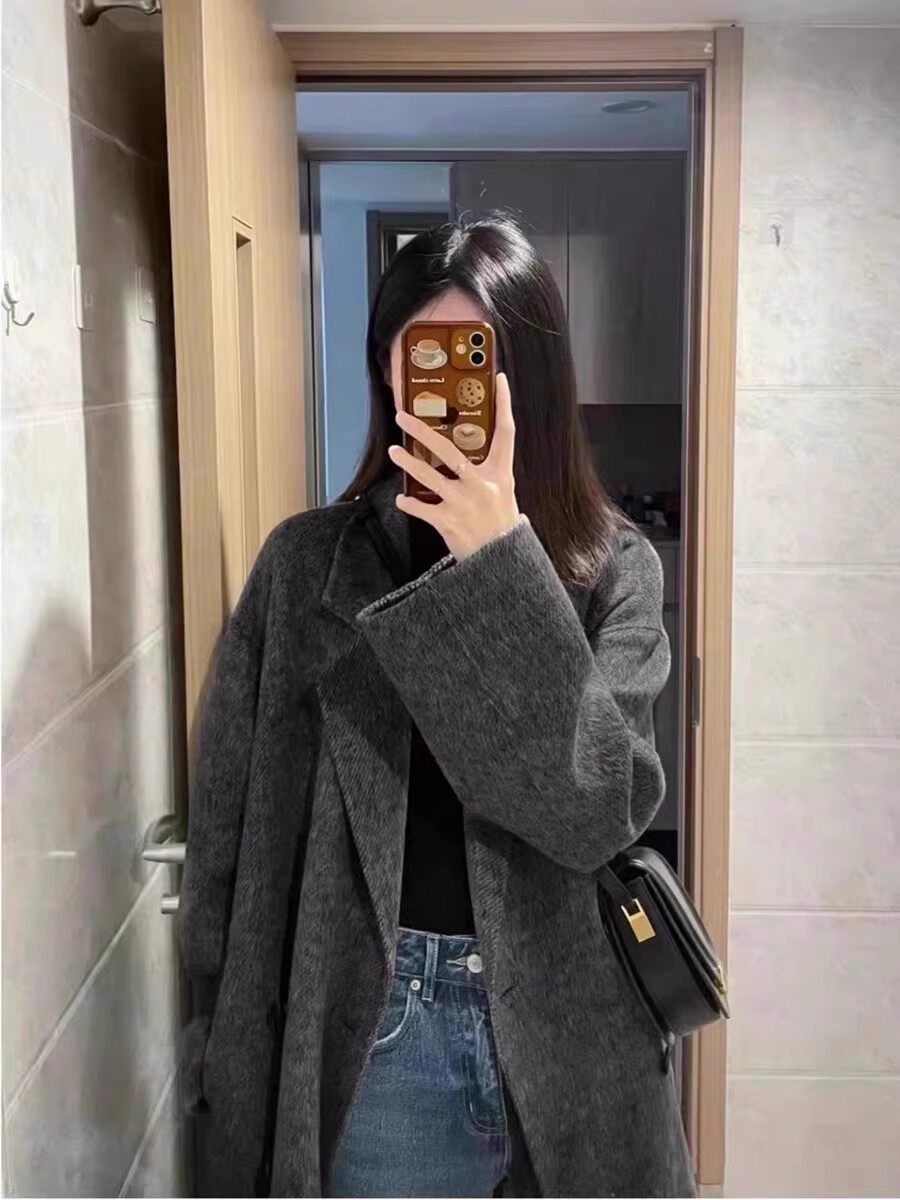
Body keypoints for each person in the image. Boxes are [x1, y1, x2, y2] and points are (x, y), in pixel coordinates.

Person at [176, 212, 697, 1199]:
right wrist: (216, 1043)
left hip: (573, 1025)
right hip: (379, 1035)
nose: (447, 392)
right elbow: (227, 838)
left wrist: (499, 561)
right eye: (423, 360)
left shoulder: (615, 571)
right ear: (387, 373)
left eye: (475, 360)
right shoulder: (308, 567)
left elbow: (596, 809)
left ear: (526, 381)